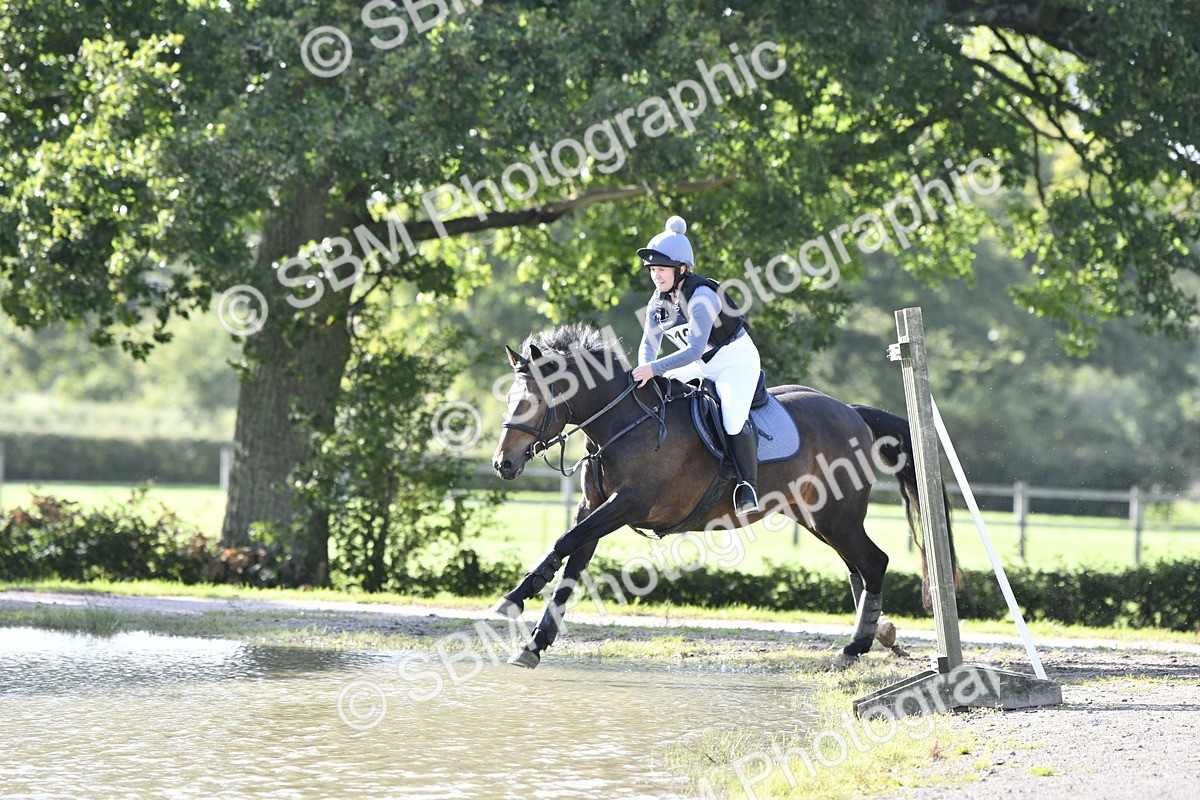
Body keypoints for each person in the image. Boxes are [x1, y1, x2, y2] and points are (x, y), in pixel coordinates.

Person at [631, 215, 762, 515]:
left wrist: (654, 369)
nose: (656, 276)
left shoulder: (701, 296)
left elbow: (692, 351)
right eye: (653, 270)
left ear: (682, 269)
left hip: (735, 362)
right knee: (656, 390)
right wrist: (646, 371)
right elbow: (648, 345)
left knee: (731, 418)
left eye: (662, 270)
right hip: (702, 364)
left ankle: (748, 487)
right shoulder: (658, 302)